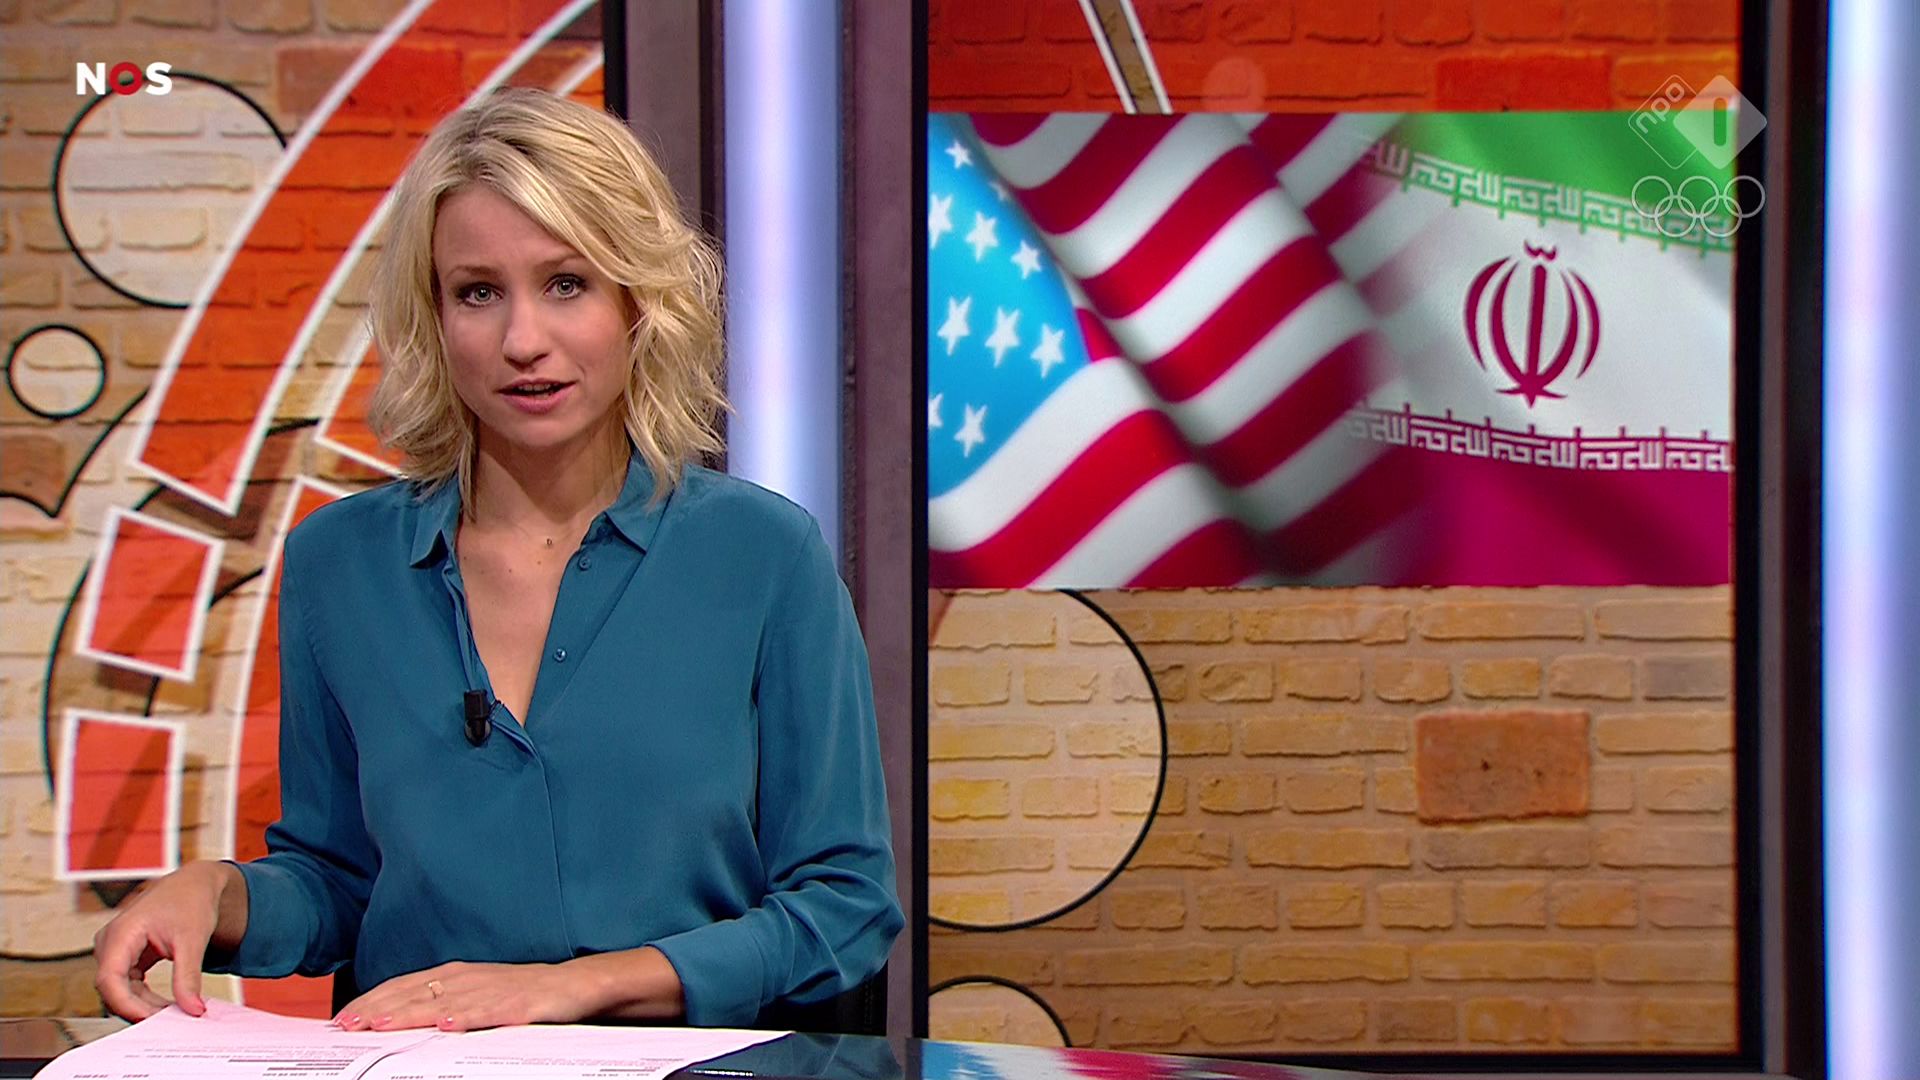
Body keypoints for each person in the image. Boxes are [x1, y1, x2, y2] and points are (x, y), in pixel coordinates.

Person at [90, 87, 902, 1032]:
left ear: (637, 303)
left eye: (567, 284)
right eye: (478, 292)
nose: (524, 342)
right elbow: (339, 881)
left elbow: (844, 904)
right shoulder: (338, 564)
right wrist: (216, 892)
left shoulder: (761, 556)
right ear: (433, 318)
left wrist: (576, 985)